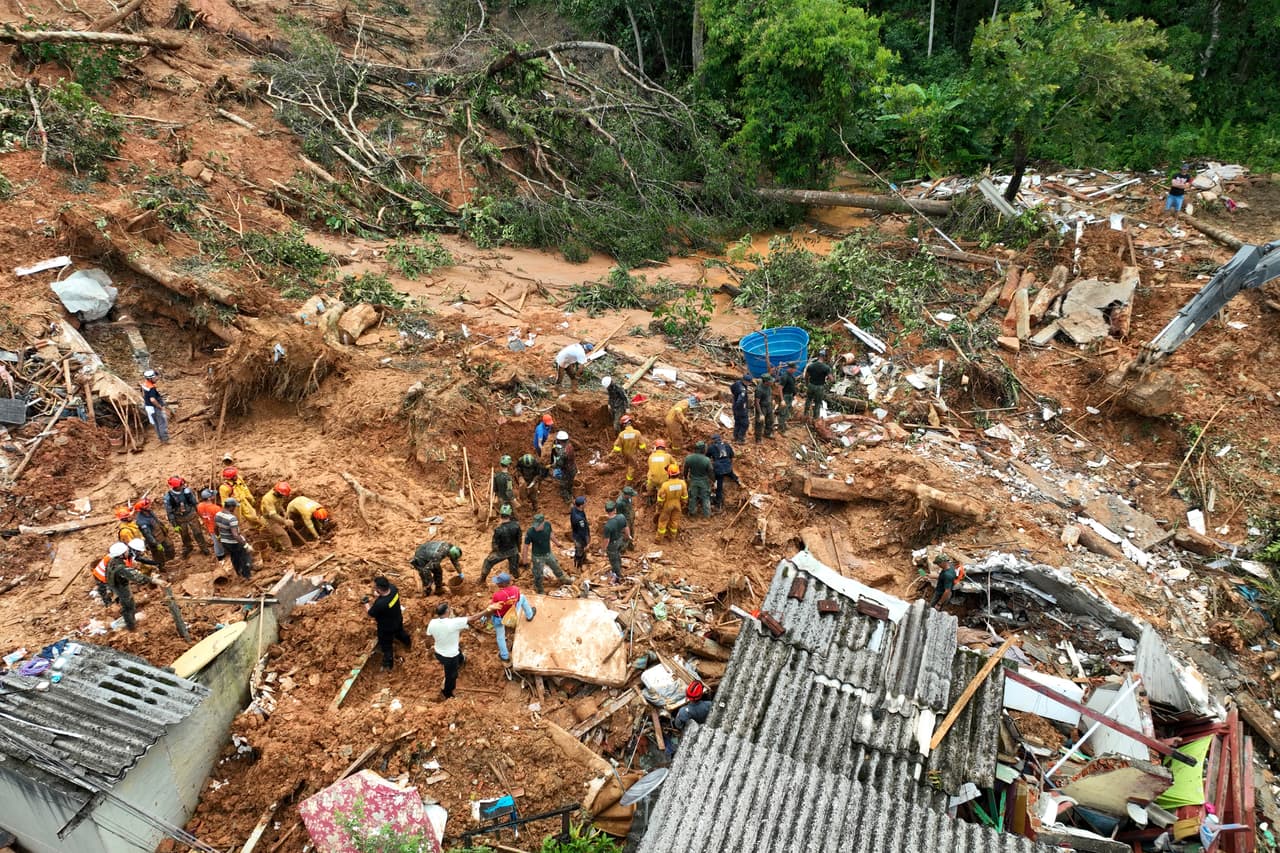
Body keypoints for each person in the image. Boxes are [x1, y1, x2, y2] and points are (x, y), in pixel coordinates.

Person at [427, 601, 482, 699]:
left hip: (439, 653)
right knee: (451, 676)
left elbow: (429, 639)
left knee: (458, 653)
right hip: (450, 657)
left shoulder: (432, 622)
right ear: (447, 611)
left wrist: (429, 648)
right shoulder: (453, 622)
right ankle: (447, 693)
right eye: (450, 608)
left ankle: (461, 660)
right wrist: (489, 610)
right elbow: (473, 618)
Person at [106, 540, 165, 629]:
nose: (127, 552)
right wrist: (153, 580)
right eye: (126, 551)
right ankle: (130, 625)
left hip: (115, 582)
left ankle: (128, 618)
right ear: (121, 554)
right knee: (128, 605)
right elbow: (137, 577)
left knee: (127, 602)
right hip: (120, 586)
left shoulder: (114, 560)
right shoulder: (120, 568)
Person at [486, 573, 535, 662]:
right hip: (511, 614)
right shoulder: (516, 589)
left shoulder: (497, 595)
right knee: (523, 597)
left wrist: (485, 616)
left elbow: (492, 608)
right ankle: (529, 615)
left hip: (500, 618)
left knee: (500, 637)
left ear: (504, 584)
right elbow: (518, 599)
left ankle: (505, 656)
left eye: (498, 582)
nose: (497, 584)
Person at [366, 576, 412, 672]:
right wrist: (378, 594)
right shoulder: (393, 589)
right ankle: (408, 643)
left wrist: (366, 603)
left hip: (386, 628)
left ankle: (388, 663)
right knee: (400, 632)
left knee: (386, 645)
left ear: (379, 589)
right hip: (397, 619)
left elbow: (370, 613)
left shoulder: (380, 604)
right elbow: (386, 595)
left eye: (376, 587)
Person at [164, 476, 209, 558]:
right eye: (180, 485)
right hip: (179, 519)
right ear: (175, 486)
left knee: (198, 532)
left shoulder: (186, 492)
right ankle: (188, 547)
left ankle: (203, 547)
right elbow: (169, 512)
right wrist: (174, 524)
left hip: (191, 515)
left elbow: (194, 503)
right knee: (184, 535)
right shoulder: (168, 497)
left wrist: (200, 514)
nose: (182, 486)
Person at [522, 513, 567, 594]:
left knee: (556, 566)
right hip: (537, 557)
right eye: (535, 525)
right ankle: (539, 588)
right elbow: (525, 547)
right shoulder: (530, 532)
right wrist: (524, 560)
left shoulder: (547, 525)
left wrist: (557, 543)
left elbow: (550, 534)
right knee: (538, 574)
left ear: (543, 523)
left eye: (538, 525)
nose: (536, 527)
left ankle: (563, 579)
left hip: (548, 553)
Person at [480, 505, 522, 583]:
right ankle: (516, 578)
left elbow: (494, 543)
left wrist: (494, 551)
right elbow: (519, 539)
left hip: (501, 552)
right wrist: (518, 550)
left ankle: (482, 580)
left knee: (488, 562)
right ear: (510, 514)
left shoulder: (498, 529)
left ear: (501, 515)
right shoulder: (516, 526)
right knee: (514, 568)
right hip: (513, 550)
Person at [215, 497, 253, 579]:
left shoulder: (218, 514)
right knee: (244, 557)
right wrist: (246, 545)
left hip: (224, 542)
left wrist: (218, 536)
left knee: (234, 556)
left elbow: (215, 527)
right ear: (231, 507)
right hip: (234, 543)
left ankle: (238, 572)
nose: (235, 508)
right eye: (234, 507)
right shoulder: (232, 519)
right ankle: (247, 576)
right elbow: (235, 535)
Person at [259, 481, 303, 550]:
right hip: (269, 519)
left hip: (276, 515)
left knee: (277, 533)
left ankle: (278, 547)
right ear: (277, 492)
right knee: (283, 534)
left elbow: (279, 504)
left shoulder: (279, 495)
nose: (283, 497)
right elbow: (273, 515)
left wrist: (284, 512)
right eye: (282, 495)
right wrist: (285, 521)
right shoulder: (267, 499)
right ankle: (289, 550)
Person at [132, 498, 172, 569]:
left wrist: (163, 527)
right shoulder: (141, 522)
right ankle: (161, 566)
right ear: (142, 509)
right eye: (147, 506)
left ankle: (168, 559)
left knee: (169, 546)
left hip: (161, 534)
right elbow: (148, 535)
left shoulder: (150, 512)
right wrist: (156, 544)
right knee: (158, 555)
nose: (149, 506)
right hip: (154, 539)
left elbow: (157, 520)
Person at [707, 435, 740, 509]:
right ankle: (738, 481)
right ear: (720, 439)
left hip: (719, 470)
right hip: (728, 467)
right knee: (731, 474)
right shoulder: (727, 446)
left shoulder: (711, 447)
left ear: (713, 441)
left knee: (719, 486)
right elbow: (732, 455)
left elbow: (707, 457)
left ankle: (719, 503)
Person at [656, 463, 688, 539]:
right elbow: (685, 496)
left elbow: (661, 498)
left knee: (663, 522)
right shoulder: (682, 483)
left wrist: (660, 506)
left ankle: (659, 539)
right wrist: (683, 504)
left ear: (669, 473)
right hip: (677, 504)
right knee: (674, 521)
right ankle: (672, 537)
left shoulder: (665, 485)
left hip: (667, 505)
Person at [611, 415, 647, 482]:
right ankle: (629, 482)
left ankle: (628, 474)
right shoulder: (637, 433)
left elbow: (617, 447)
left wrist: (611, 454)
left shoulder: (621, 434)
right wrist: (646, 452)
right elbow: (642, 446)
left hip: (624, 454)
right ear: (630, 423)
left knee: (627, 464)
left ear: (624, 425)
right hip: (632, 454)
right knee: (632, 466)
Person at [682, 442, 714, 519]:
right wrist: (713, 480)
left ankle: (692, 513)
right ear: (702, 449)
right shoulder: (706, 460)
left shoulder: (689, 458)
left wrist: (685, 478)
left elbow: (685, 470)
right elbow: (710, 471)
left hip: (693, 481)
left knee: (692, 497)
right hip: (704, 482)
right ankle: (707, 515)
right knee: (705, 497)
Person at [602, 502, 631, 583]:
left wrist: (603, 549)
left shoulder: (607, 526)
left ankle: (618, 575)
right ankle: (619, 565)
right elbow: (626, 527)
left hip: (612, 544)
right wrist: (628, 536)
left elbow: (606, 540)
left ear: (606, 511)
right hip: (620, 539)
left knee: (613, 559)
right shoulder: (621, 517)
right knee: (617, 553)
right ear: (615, 509)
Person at [140, 369, 170, 444]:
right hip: (154, 408)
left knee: (156, 423)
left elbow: (143, 394)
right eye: (155, 377)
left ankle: (161, 438)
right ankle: (165, 440)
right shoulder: (152, 388)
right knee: (162, 423)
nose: (157, 379)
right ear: (151, 378)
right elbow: (153, 399)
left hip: (149, 407)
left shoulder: (145, 384)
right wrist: (159, 406)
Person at [803, 350, 833, 421]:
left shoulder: (811, 366)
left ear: (818, 356)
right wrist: (829, 381)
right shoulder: (826, 368)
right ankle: (815, 418)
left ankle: (805, 414)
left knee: (808, 399)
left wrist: (807, 384)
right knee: (817, 402)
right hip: (819, 387)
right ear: (824, 357)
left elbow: (806, 376)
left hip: (811, 385)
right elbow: (831, 379)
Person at [196, 489, 223, 560]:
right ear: (209, 498)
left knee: (216, 540)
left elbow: (201, 515)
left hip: (209, 526)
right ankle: (220, 555)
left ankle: (220, 554)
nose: (214, 496)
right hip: (218, 528)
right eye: (212, 495)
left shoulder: (199, 506)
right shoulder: (216, 508)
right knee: (219, 541)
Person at [550, 431, 576, 502]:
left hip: (566, 472)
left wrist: (553, 466)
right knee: (570, 483)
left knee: (563, 487)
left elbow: (559, 464)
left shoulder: (562, 452)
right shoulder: (570, 445)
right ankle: (570, 491)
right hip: (573, 468)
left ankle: (568, 500)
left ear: (559, 440)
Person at [753, 373, 776, 442]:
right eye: (770, 381)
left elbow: (769, 394)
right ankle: (758, 438)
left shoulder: (768, 386)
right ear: (766, 382)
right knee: (760, 422)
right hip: (762, 407)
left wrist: (772, 400)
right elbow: (756, 402)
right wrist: (760, 414)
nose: (772, 382)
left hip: (769, 405)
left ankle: (767, 433)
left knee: (771, 420)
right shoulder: (759, 390)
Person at [614, 485, 638, 550]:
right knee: (625, 534)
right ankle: (622, 549)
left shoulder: (629, 498)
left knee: (632, 532)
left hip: (630, 518)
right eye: (631, 495)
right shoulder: (619, 502)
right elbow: (619, 515)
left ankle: (630, 545)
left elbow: (630, 507)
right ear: (626, 495)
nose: (632, 496)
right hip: (625, 520)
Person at [570, 496, 590, 570]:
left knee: (582, 551)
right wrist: (587, 543)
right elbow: (583, 532)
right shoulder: (579, 519)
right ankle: (578, 566)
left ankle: (584, 560)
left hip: (577, 533)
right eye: (585, 503)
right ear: (581, 505)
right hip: (579, 538)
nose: (586, 504)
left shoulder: (574, 509)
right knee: (580, 551)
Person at [730, 373, 751, 443]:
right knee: (745, 423)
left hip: (735, 406)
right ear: (746, 381)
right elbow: (740, 400)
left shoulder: (737, 383)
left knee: (737, 422)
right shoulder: (743, 390)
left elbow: (731, 388)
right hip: (741, 408)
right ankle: (740, 438)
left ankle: (735, 436)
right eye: (749, 382)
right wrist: (740, 408)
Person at [777, 364, 798, 432]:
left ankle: (784, 424)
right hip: (785, 396)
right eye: (794, 369)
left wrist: (794, 395)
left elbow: (792, 386)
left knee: (787, 411)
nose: (795, 370)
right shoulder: (785, 376)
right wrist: (782, 400)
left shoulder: (791, 375)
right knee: (783, 412)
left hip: (790, 395)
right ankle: (781, 429)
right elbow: (780, 388)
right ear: (790, 368)